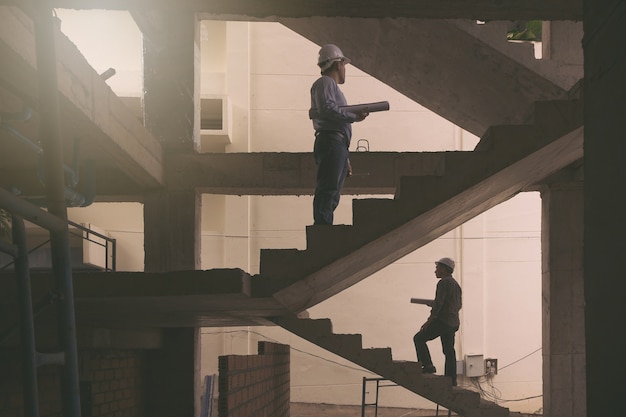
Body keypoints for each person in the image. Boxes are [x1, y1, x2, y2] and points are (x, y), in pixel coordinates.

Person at [309, 44, 368, 225]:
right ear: (337, 64)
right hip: (331, 141)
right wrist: (353, 116)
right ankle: (323, 228)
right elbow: (328, 109)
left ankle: (325, 225)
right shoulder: (325, 83)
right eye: (344, 65)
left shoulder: (331, 87)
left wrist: (345, 158)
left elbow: (333, 116)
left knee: (332, 190)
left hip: (337, 144)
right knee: (328, 188)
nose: (344, 70)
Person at [413, 257, 462, 386]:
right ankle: (451, 379)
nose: (435, 271)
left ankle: (427, 365)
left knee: (419, 338)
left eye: (438, 268)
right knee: (449, 351)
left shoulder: (443, 282)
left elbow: (439, 303)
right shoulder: (456, 284)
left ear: (445, 269)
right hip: (453, 322)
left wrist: (429, 320)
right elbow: (456, 305)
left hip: (443, 321)